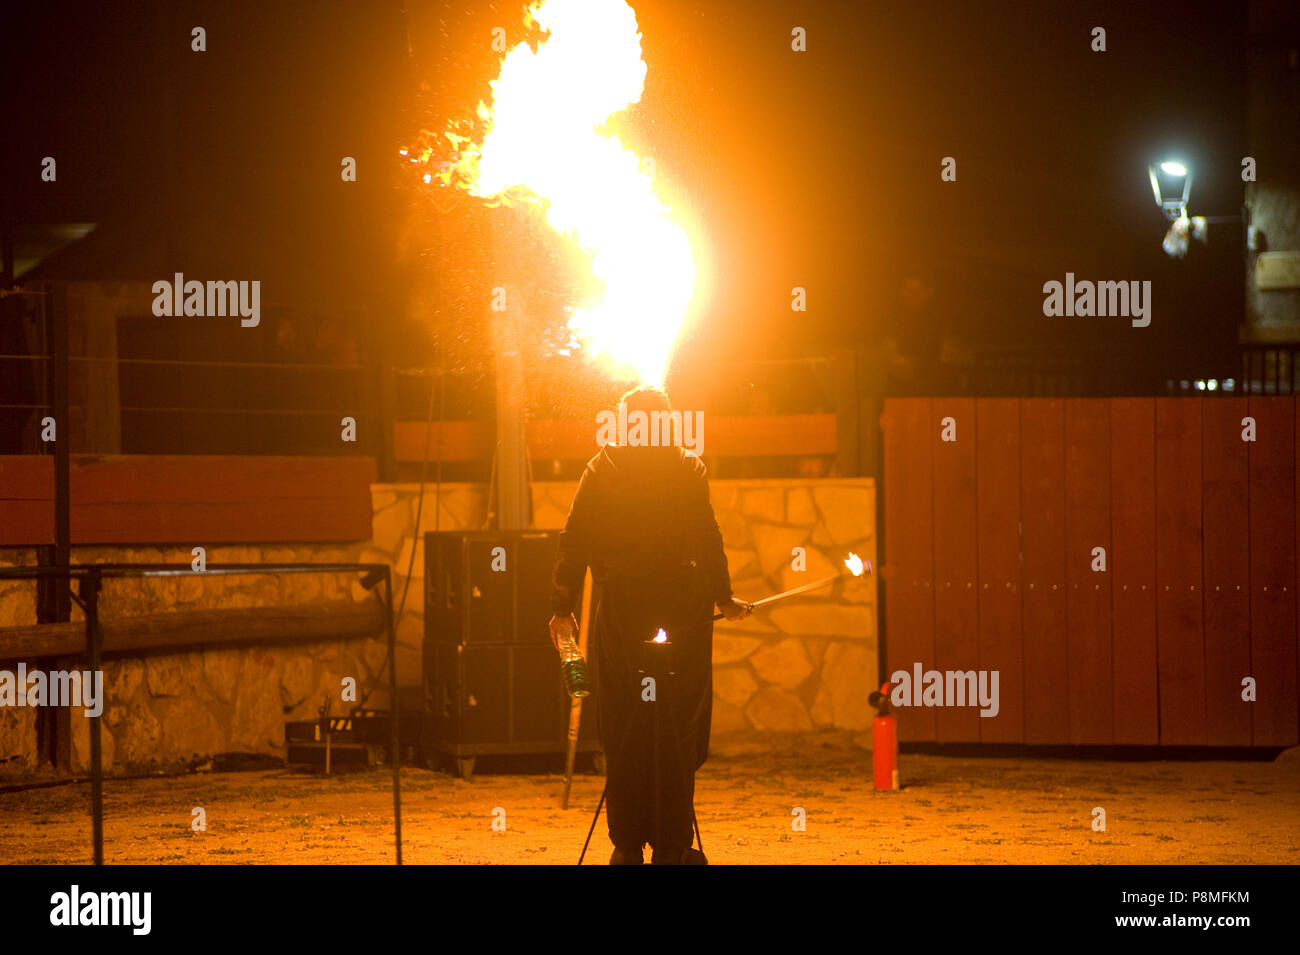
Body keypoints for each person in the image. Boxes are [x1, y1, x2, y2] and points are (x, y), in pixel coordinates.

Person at [549, 385, 751, 865]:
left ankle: (626, 845)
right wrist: (722, 597)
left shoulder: (601, 469)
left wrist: (562, 606)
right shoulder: (687, 468)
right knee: (678, 729)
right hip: (683, 615)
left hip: (622, 618)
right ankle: (673, 845)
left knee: (624, 727)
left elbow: (573, 539)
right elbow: (707, 534)